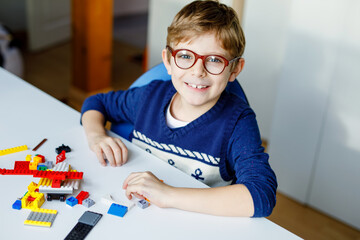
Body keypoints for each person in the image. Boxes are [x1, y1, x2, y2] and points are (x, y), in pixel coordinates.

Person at [81, 0, 277, 217]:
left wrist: (168, 195)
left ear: (234, 69)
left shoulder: (238, 122)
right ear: (168, 60)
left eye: (214, 60)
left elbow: (262, 196)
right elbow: (96, 103)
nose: (198, 71)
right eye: (185, 56)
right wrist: (96, 136)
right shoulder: (149, 97)